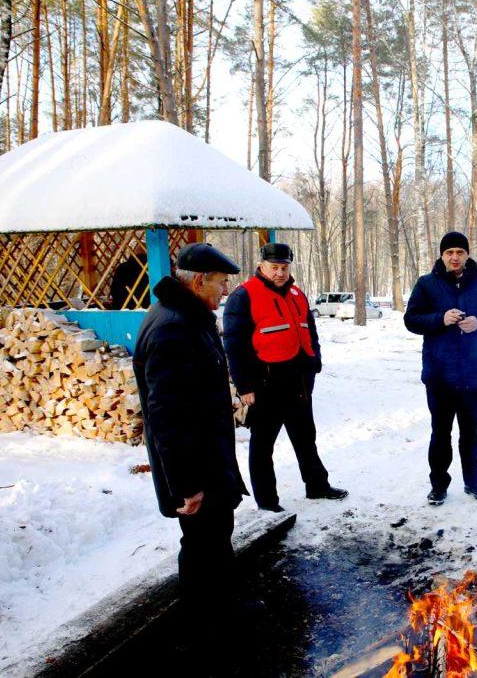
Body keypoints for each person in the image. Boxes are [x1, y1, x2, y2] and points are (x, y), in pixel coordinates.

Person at [132, 242, 248, 641]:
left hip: (209, 460)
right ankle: (207, 629)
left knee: (214, 543)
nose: (224, 291)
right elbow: (166, 417)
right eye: (220, 283)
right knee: (201, 548)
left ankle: (221, 611)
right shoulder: (172, 329)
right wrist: (186, 485)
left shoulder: (188, 317)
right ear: (199, 281)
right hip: (196, 469)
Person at [223, 242, 347, 510]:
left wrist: (316, 361)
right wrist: (245, 386)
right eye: (274, 267)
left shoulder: (297, 294)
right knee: (262, 446)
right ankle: (267, 501)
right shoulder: (243, 295)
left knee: (305, 436)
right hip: (265, 383)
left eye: (284, 267)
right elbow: (234, 345)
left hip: (299, 381)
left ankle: (317, 485)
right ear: (262, 266)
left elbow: (310, 331)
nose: (280, 272)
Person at [404, 231, 477, 505]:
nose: (454, 257)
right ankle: (438, 485)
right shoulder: (427, 284)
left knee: (470, 431)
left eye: (459, 252)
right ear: (442, 255)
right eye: (449, 252)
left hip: (473, 373)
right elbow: (411, 319)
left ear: (467, 254)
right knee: (440, 432)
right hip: (439, 373)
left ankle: (473, 482)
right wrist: (441, 318)